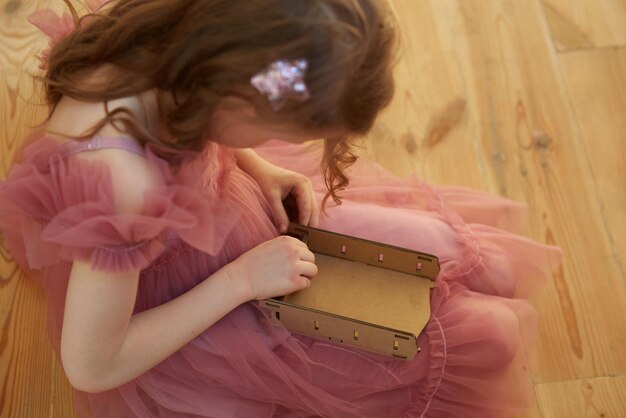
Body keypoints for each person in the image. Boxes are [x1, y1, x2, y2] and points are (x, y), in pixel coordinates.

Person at [0, 0, 563, 417]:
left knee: (452, 259)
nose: (277, 142)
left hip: (229, 222)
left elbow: (209, 117)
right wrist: (241, 280)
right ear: (242, 97)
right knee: (480, 341)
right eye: (279, 132)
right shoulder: (120, 187)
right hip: (181, 300)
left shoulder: (195, 47)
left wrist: (254, 164)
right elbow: (92, 365)